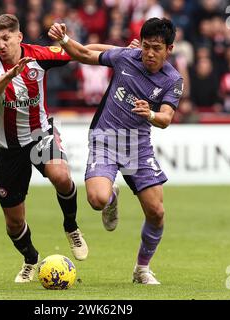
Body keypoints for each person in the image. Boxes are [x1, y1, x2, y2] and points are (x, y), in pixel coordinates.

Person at [0, 14, 123, 283]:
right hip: (8, 148)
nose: (1, 44)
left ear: (19, 37)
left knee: (61, 176)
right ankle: (30, 259)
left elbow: (83, 51)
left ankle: (71, 227)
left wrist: (126, 53)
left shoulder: (39, 55)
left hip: (39, 135)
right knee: (14, 223)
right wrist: (10, 75)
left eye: (6, 38)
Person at [49, 17, 183, 285]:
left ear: (169, 49)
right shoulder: (126, 57)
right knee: (97, 199)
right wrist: (64, 39)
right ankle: (111, 199)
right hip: (106, 139)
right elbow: (86, 53)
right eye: (146, 46)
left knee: (156, 212)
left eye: (157, 48)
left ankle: (141, 269)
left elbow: (166, 119)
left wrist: (151, 114)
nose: (150, 53)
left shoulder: (173, 80)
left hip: (138, 146)